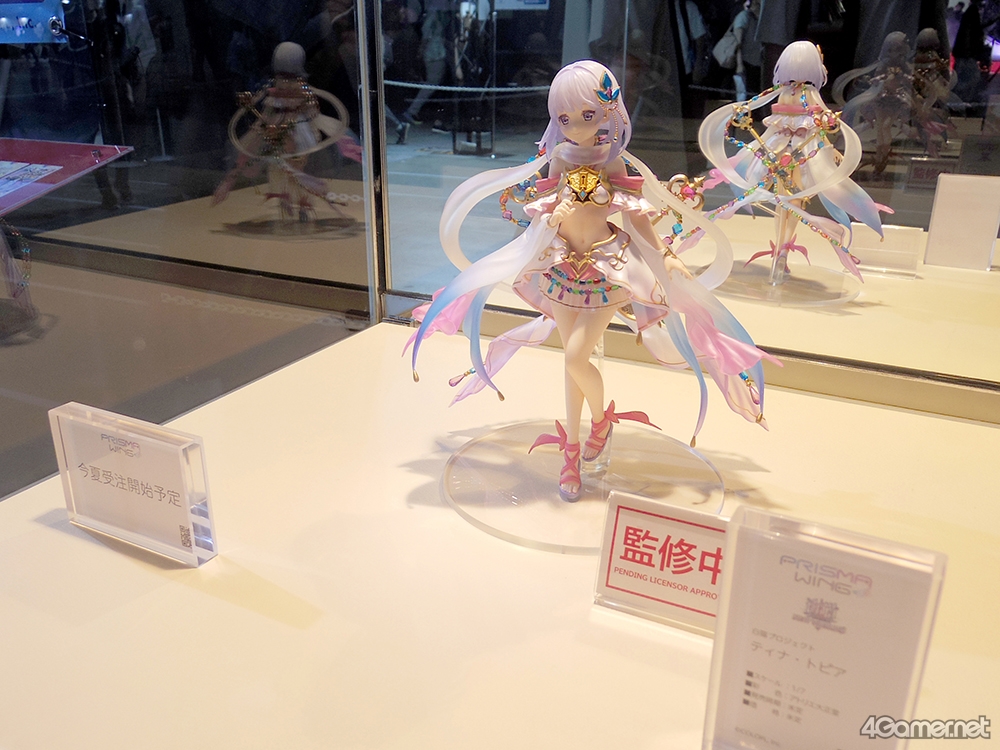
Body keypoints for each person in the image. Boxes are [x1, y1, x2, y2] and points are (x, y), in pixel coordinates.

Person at [408, 60, 776, 501]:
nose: (576, 126)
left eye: (587, 115)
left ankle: (600, 423)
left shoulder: (611, 159)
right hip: (563, 269)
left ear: (607, 110)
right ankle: (572, 450)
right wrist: (541, 232)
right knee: (572, 362)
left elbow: (636, 219)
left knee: (575, 357)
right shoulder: (559, 158)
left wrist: (664, 258)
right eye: (565, 118)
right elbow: (542, 215)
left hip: (608, 269)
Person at [700, 41, 888, 283]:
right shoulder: (808, 94)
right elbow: (822, 124)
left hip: (781, 152)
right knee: (793, 201)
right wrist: (829, 146)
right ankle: (783, 248)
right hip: (797, 155)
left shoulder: (782, 92)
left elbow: (810, 124)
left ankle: (782, 249)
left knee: (785, 202)